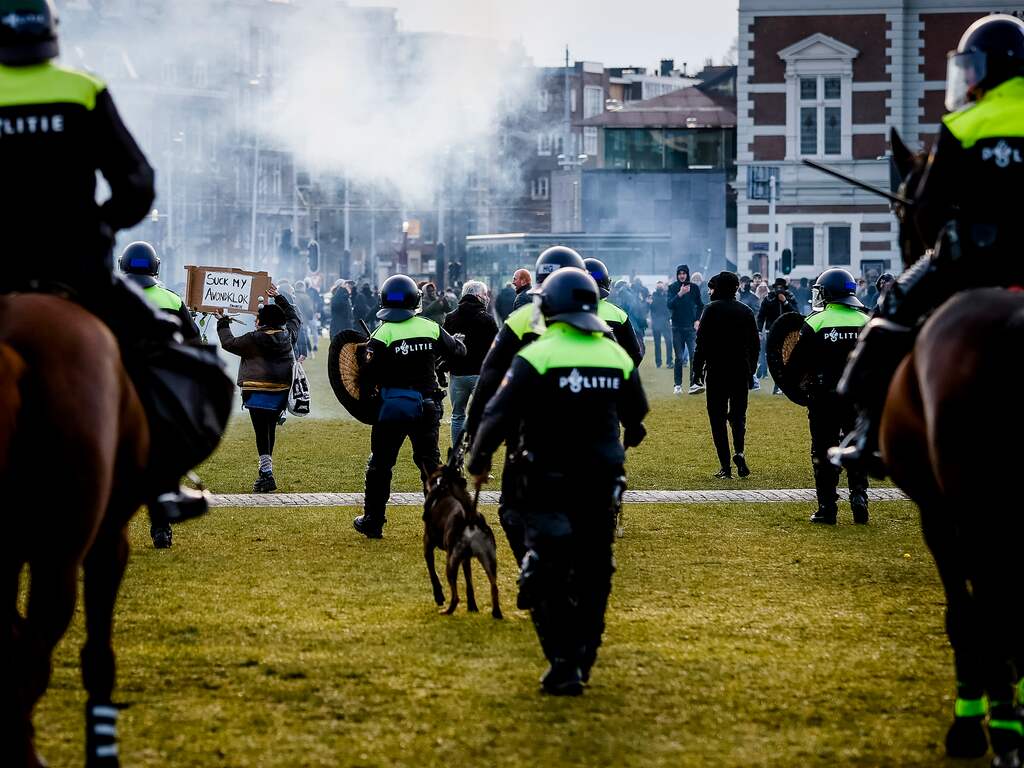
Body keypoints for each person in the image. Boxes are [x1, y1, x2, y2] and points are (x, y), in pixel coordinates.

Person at [0, 0, 223, 526]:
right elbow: (137, 182)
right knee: (164, 351)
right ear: (51, 31)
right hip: (75, 267)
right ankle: (164, 484)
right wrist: (101, 224)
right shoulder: (84, 89)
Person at [832, 14, 1024, 478]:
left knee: (891, 309)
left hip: (975, 260)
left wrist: (946, 239)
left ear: (993, 67)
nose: (969, 77)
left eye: (973, 67)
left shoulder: (963, 124)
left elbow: (928, 209)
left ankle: (866, 433)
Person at [467, 267, 649, 695]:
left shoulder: (536, 355)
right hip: (601, 482)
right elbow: (636, 414)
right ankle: (585, 655)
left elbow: (497, 412)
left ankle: (563, 661)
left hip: (547, 480)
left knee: (545, 565)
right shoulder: (615, 355)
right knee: (595, 569)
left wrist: (478, 458)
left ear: (548, 307)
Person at [463, 246, 586, 565]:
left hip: (530, 434)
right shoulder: (598, 323)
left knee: (513, 510)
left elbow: (489, 381)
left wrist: (475, 436)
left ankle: (535, 567)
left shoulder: (520, 320)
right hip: (589, 436)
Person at [353, 275, 466, 539]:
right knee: (430, 466)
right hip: (427, 406)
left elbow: (366, 377)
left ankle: (373, 521)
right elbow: (458, 351)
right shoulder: (430, 327)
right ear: (415, 300)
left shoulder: (382, 333)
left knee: (381, 465)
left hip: (393, 408)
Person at [119, 241, 201, 549]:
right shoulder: (172, 299)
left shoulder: (111, 299)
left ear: (122, 266)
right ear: (156, 267)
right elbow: (194, 344)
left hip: (119, 388)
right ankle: (162, 527)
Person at [785, 269, 870, 524]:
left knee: (823, 450)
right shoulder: (866, 320)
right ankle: (859, 497)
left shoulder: (815, 322)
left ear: (828, 293)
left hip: (824, 398)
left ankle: (827, 508)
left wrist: (796, 388)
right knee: (857, 446)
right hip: (858, 399)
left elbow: (796, 366)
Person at [217, 286, 300, 493]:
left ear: (262, 322)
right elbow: (294, 318)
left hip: (256, 393)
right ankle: (266, 472)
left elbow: (228, 343)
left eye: (258, 318)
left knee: (261, 432)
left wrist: (222, 322)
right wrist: (279, 297)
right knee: (269, 430)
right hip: (280, 393)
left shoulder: (253, 339)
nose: (256, 321)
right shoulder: (288, 336)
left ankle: (267, 474)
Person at [691, 272, 760, 479]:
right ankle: (739, 451)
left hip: (716, 371)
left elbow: (701, 343)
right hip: (740, 370)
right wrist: (751, 370)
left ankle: (725, 467)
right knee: (738, 416)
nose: (709, 291)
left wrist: (696, 372)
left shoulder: (710, 309)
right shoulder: (746, 311)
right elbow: (755, 345)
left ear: (719, 288)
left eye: (712, 287)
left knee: (717, 419)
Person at [442, 281, 498, 448]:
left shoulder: (451, 317)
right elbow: (496, 348)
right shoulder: (487, 319)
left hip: (458, 375)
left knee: (457, 416)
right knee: (482, 416)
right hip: (480, 374)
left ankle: (456, 457)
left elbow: (444, 347)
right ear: (477, 295)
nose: (487, 297)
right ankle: (478, 455)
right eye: (485, 294)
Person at [584, 258, 645, 366]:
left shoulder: (562, 313)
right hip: (611, 373)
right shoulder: (618, 314)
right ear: (607, 282)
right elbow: (635, 355)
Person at [757, 278, 800, 394]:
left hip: (787, 332)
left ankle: (782, 386)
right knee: (775, 359)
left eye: (781, 287)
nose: (779, 290)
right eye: (777, 287)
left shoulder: (790, 297)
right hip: (771, 332)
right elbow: (761, 316)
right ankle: (776, 385)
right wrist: (759, 331)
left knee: (786, 359)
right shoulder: (769, 298)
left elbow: (796, 313)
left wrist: (785, 302)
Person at [667, 264, 705, 395]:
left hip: (690, 328)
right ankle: (677, 385)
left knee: (694, 356)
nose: (682, 275)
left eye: (684, 273)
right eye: (679, 273)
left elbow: (700, 305)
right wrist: (680, 294)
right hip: (677, 328)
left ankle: (693, 384)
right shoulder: (672, 287)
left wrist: (697, 320)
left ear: (687, 274)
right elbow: (670, 305)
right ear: (677, 275)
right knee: (679, 357)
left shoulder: (694, 288)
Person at [649, 281, 673, 369]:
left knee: (669, 342)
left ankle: (669, 362)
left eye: (661, 286)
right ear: (656, 287)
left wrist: (669, 316)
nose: (660, 288)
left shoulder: (667, 296)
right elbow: (651, 308)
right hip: (656, 323)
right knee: (657, 344)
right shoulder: (653, 297)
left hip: (665, 322)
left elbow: (670, 308)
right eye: (658, 286)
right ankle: (658, 362)